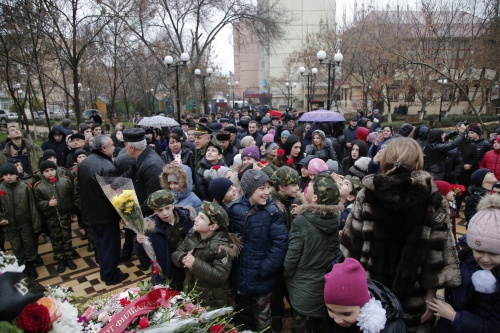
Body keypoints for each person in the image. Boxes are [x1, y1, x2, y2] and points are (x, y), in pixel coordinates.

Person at [340, 137, 461, 332]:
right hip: (414, 292)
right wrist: (431, 294)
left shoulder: (367, 194)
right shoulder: (434, 199)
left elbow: (350, 246)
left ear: (385, 162)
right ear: (418, 163)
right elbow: (438, 253)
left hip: (371, 290)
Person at [225, 169, 288, 332]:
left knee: (263, 319)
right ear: (249, 190)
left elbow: (280, 243)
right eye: (262, 188)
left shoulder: (272, 212)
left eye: (268, 187)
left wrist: (266, 268)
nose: (267, 192)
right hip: (240, 275)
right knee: (244, 316)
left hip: (261, 277)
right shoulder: (234, 209)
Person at [430, 195, 500, 333]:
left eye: (493, 253)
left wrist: (455, 317)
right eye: (479, 250)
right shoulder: (464, 259)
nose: (485, 259)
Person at [284, 173, 343, 333]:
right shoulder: (335, 218)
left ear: (315, 198)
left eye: (311, 186)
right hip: (324, 285)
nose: (308, 185)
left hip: (303, 289)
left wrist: (286, 274)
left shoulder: (302, 222)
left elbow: (292, 258)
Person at [78, 134, 129, 285]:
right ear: (104, 148)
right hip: (106, 214)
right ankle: (111, 276)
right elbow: (114, 194)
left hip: (91, 212)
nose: (114, 147)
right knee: (110, 246)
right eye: (112, 145)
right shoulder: (107, 167)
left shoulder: (85, 162)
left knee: (100, 245)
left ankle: (104, 272)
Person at [172, 201, 240, 308]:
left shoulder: (222, 246)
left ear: (213, 226)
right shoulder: (193, 234)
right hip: (191, 293)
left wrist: (194, 264)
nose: (196, 219)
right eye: (198, 215)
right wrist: (182, 258)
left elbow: (220, 276)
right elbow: (177, 252)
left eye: (202, 218)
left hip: (211, 300)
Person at [323, 258, 407, 333]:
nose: (337, 320)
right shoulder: (333, 319)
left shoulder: (391, 328)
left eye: (346, 314)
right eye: (330, 310)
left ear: (364, 306)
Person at [135, 190, 194, 289]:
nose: (165, 213)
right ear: (154, 211)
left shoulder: (187, 217)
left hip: (187, 266)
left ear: (173, 205)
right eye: (160, 210)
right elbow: (143, 255)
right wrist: (139, 243)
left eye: (167, 208)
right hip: (166, 270)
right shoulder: (150, 228)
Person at [33, 160, 76, 273]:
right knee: (56, 239)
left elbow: (72, 196)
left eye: (52, 170)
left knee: (67, 237)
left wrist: (72, 210)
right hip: (51, 218)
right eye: (47, 171)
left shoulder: (65, 181)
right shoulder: (39, 187)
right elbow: (37, 203)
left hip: (65, 215)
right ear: (42, 174)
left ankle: (68, 257)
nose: (50, 173)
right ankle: (60, 259)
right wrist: (48, 204)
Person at [0, 163, 41, 279]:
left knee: (29, 244)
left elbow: (32, 206)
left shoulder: (25, 187)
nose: (8, 177)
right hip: (10, 225)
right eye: (5, 174)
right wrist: (2, 218)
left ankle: (30, 264)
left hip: (25, 223)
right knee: (16, 246)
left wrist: (36, 224)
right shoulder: (0, 189)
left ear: (17, 175)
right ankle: (22, 264)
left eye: (11, 174)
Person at [121, 128, 164, 216]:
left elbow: (153, 199)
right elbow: (128, 174)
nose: (125, 148)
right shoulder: (143, 157)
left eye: (125, 145)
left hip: (149, 218)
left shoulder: (152, 165)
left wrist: (135, 215)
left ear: (132, 148)